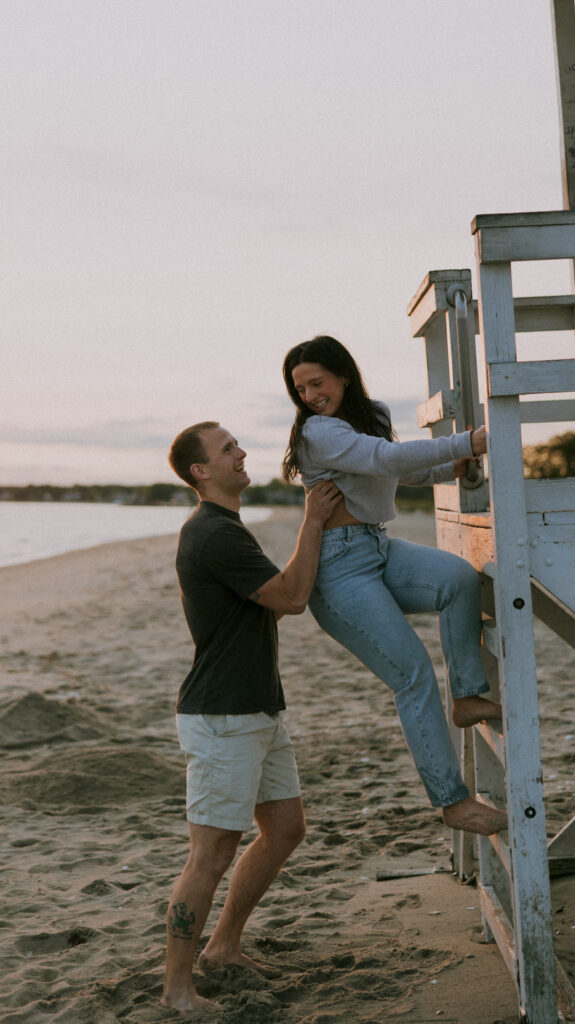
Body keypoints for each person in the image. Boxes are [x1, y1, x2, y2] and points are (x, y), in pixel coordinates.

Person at [282, 336, 508, 837]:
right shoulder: (317, 432)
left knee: (457, 579)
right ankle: (452, 802)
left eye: (316, 382)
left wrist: (448, 466)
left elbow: (390, 471)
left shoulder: (375, 415)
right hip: (337, 568)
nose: (309, 396)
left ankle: (468, 696)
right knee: (412, 675)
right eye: (299, 388)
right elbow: (385, 460)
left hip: (376, 548)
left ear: (343, 374)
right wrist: (466, 441)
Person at [162, 420, 341, 1015]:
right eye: (227, 449)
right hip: (222, 717)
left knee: (286, 828)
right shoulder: (213, 534)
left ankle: (224, 945)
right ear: (201, 472)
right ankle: (177, 990)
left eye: (237, 444)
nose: (241, 453)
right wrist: (312, 521)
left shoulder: (226, 527)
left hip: (256, 707)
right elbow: (290, 598)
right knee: (210, 854)